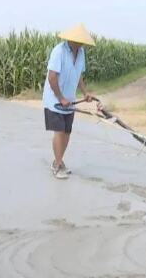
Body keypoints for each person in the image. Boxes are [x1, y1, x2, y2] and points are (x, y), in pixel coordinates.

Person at [42, 23, 97, 179]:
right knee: (59, 132)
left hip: (70, 101)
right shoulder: (59, 51)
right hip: (55, 100)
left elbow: (79, 74)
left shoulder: (81, 53)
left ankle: (58, 161)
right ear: (72, 39)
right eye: (79, 41)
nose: (82, 44)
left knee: (67, 132)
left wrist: (85, 93)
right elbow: (52, 77)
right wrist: (60, 97)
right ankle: (58, 166)